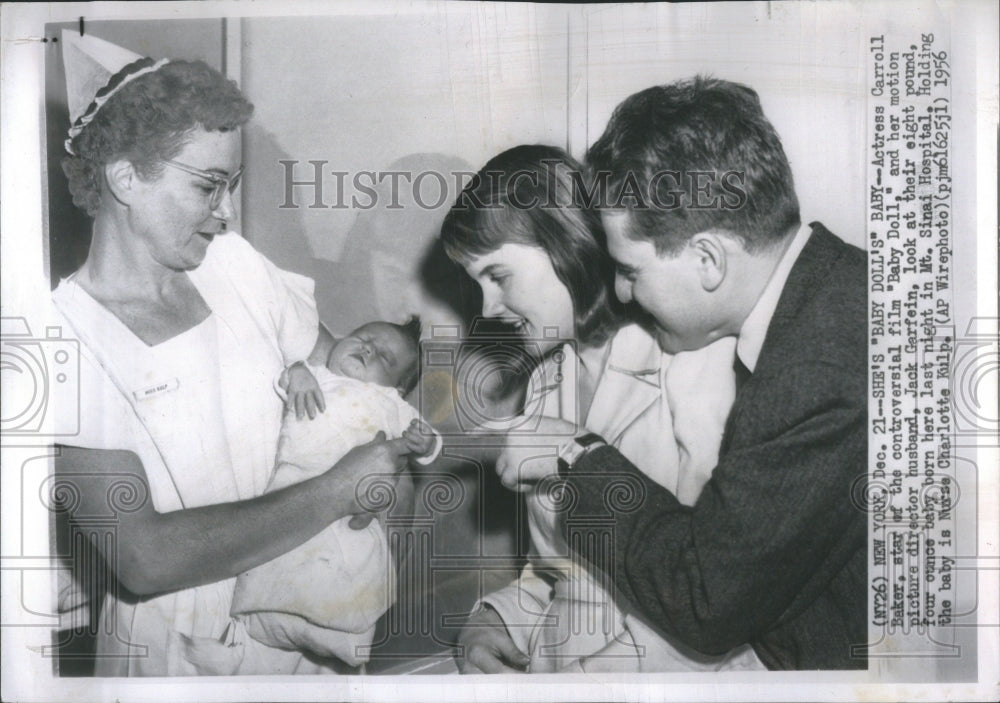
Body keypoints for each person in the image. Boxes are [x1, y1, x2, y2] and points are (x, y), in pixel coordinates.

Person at [50, 39, 409, 676]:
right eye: (208, 187)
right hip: (170, 658)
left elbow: (354, 396)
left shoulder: (238, 267)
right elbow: (145, 556)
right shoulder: (61, 337)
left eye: (232, 186)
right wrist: (335, 490)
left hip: (300, 626)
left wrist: (384, 484)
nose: (226, 213)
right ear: (125, 176)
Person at [504, 77, 867, 670]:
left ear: (707, 259)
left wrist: (575, 454)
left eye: (630, 270)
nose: (620, 291)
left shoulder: (813, 373)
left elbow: (707, 600)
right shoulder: (833, 287)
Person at [441, 145, 763, 673]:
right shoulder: (546, 376)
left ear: (566, 242)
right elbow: (559, 574)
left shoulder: (693, 363)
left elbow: (716, 601)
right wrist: (492, 622)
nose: (486, 310)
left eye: (498, 277)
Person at [231, 319, 441, 667]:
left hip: (355, 506)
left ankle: (344, 635)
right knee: (275, 554)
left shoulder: (392, 403)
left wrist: (426, 440)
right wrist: (297, 373)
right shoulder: (318, 376)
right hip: (296, 484)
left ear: (399, 387)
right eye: (362, 338)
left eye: (383, 358)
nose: (367, 349)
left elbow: (432, 446)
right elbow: (283, 377)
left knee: (356, 565)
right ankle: (261, 618)